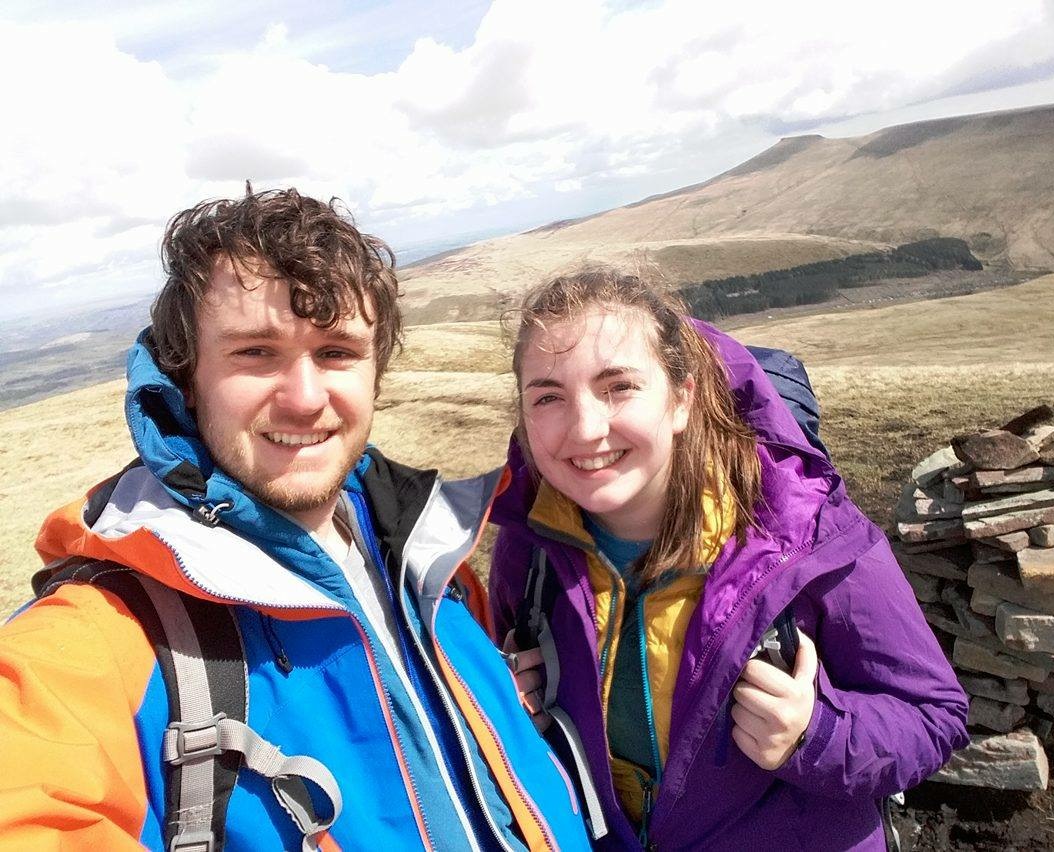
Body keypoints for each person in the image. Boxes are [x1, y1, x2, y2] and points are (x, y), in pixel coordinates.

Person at [0, 189, 590, 851]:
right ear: (186, 379)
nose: (306, 399)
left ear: (375, 372)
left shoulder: (428, 561)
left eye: (337, 352)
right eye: (255, 353)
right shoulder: (108, 632)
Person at [489, 267, 970, 850]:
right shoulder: (529, 545)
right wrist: (510, 712)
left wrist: (813, 736)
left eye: (618, 386)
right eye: (548, 397)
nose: (586, 429)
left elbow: (934, 717)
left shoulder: (808, 537)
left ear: (681, 400)